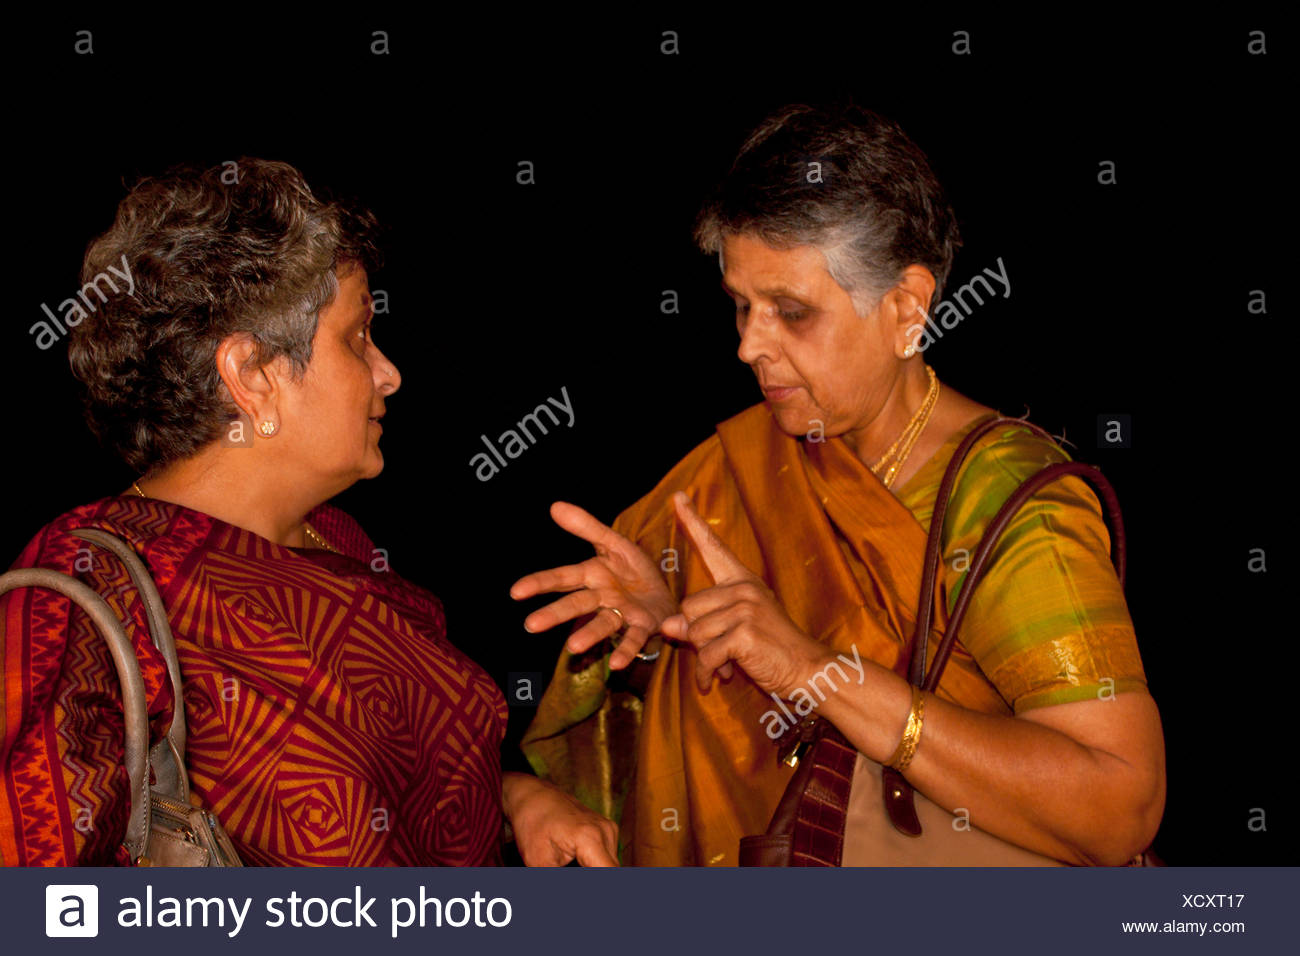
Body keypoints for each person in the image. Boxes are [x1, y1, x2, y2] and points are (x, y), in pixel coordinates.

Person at [513, 103, 1166, 867]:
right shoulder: (732, 470)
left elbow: (1119, 804)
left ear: (906, 309)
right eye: (740, 307)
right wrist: (671, 638)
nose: (750, 345)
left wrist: (812, 670)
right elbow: (702, 749)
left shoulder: (1001, 501)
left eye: (792, 312)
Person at [0, 158, 617, 867]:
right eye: (358, 337)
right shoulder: (82, 590)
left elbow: (396, 786)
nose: (389, 372)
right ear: (253, 376)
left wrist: (513, 798)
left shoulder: (334, 538)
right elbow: (36, 905)